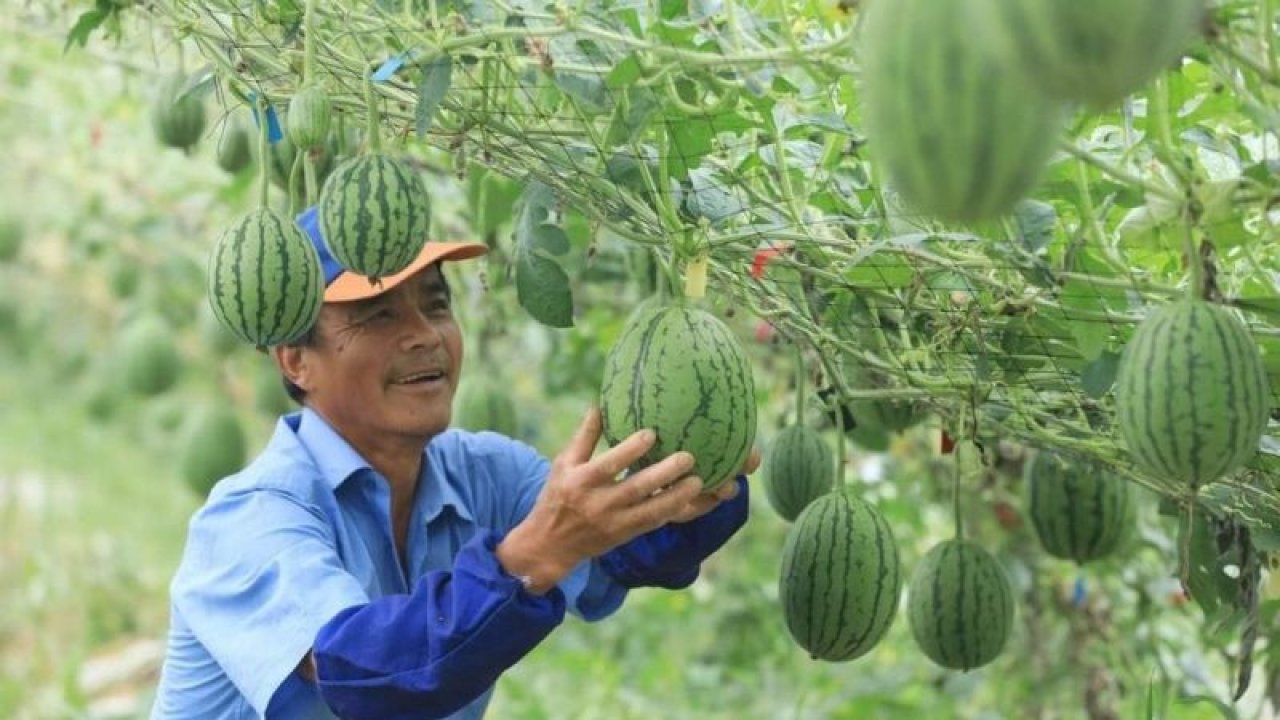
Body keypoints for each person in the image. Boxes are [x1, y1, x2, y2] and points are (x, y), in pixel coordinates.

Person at [150, 205, 758, 720]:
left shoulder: (485, 475)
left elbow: (628, 555)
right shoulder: (250, 518)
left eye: (436, 305)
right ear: (295, 362)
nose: (424, 335)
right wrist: (531, 559)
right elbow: (364, 672)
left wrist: (695, 484)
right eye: (379, 314)